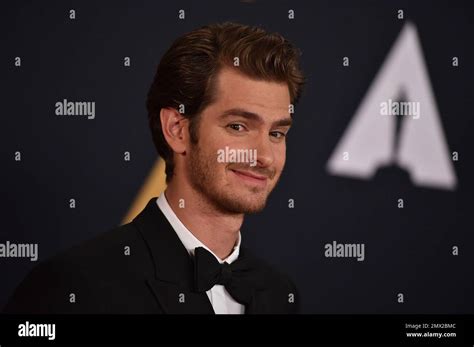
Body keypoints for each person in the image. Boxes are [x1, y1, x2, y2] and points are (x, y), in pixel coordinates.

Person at [3, 22, 305, 314]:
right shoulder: (75, 287)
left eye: (276, 133)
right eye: (238, 126)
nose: (264, 156)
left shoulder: (279, 294)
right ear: (177, 130)